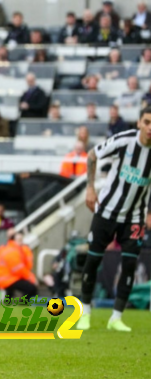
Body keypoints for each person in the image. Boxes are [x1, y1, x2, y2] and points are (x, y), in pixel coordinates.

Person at [79, 106, 151, 332]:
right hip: (107, 211)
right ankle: (85, 313)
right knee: (93, 260)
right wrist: (90, 188)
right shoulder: (124, 140)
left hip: (135, 216)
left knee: (130, 264)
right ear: (139, 123)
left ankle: (116, 318)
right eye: (147, 122)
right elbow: (92, 155)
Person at [0, 229, 37, 298]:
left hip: (5, 278)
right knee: (31, 288)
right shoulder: (13, 250)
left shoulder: (5, 249)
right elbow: (18, 269)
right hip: (10, 279)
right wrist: (31, 278)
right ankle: (22, 303)